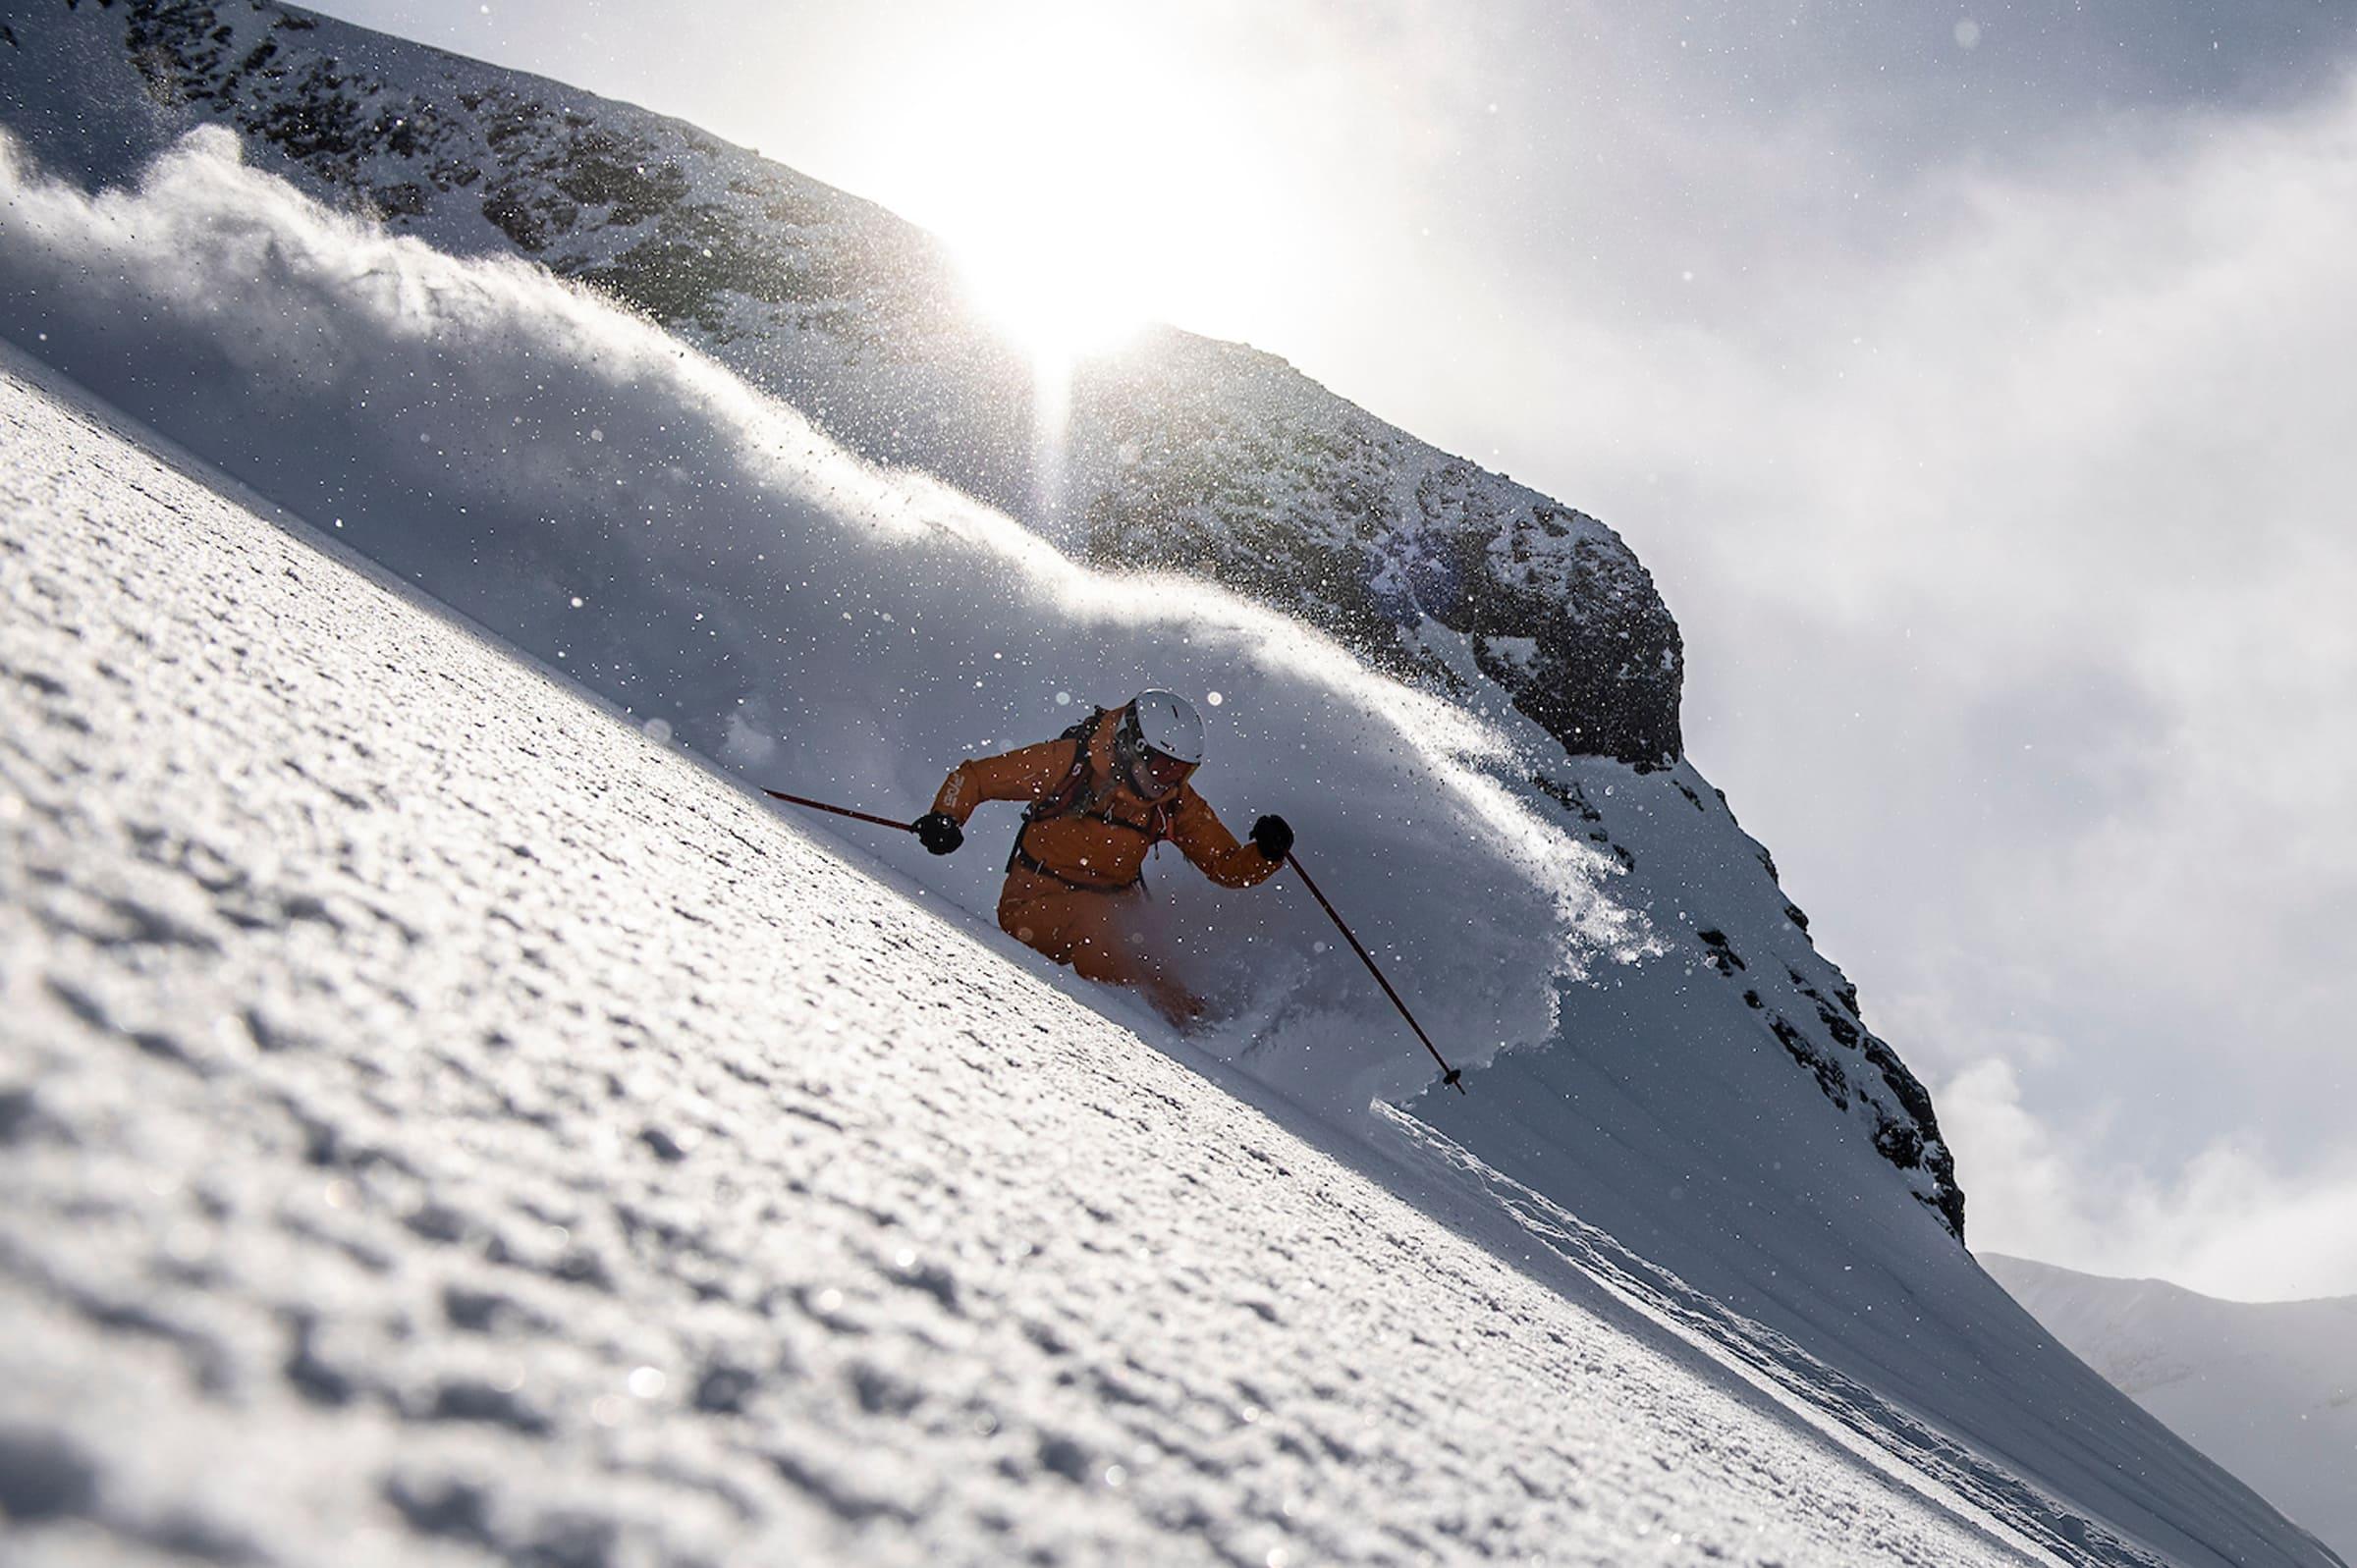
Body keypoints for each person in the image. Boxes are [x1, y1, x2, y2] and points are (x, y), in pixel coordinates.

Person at [913, 690, 1292, 1025]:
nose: (1167, 780)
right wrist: (946, 817)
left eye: (1180, 771)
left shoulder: (1172, 802)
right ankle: (1123, 1024)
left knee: (1156, 969)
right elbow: (975, 778)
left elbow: (1225, 866)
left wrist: (1265, 852)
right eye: (1161, 766)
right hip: (1034, 905)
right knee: (1099, 927)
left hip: (1117, 920)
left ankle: (1203, 1041)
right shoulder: (1071, 764)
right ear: (1132, 745)